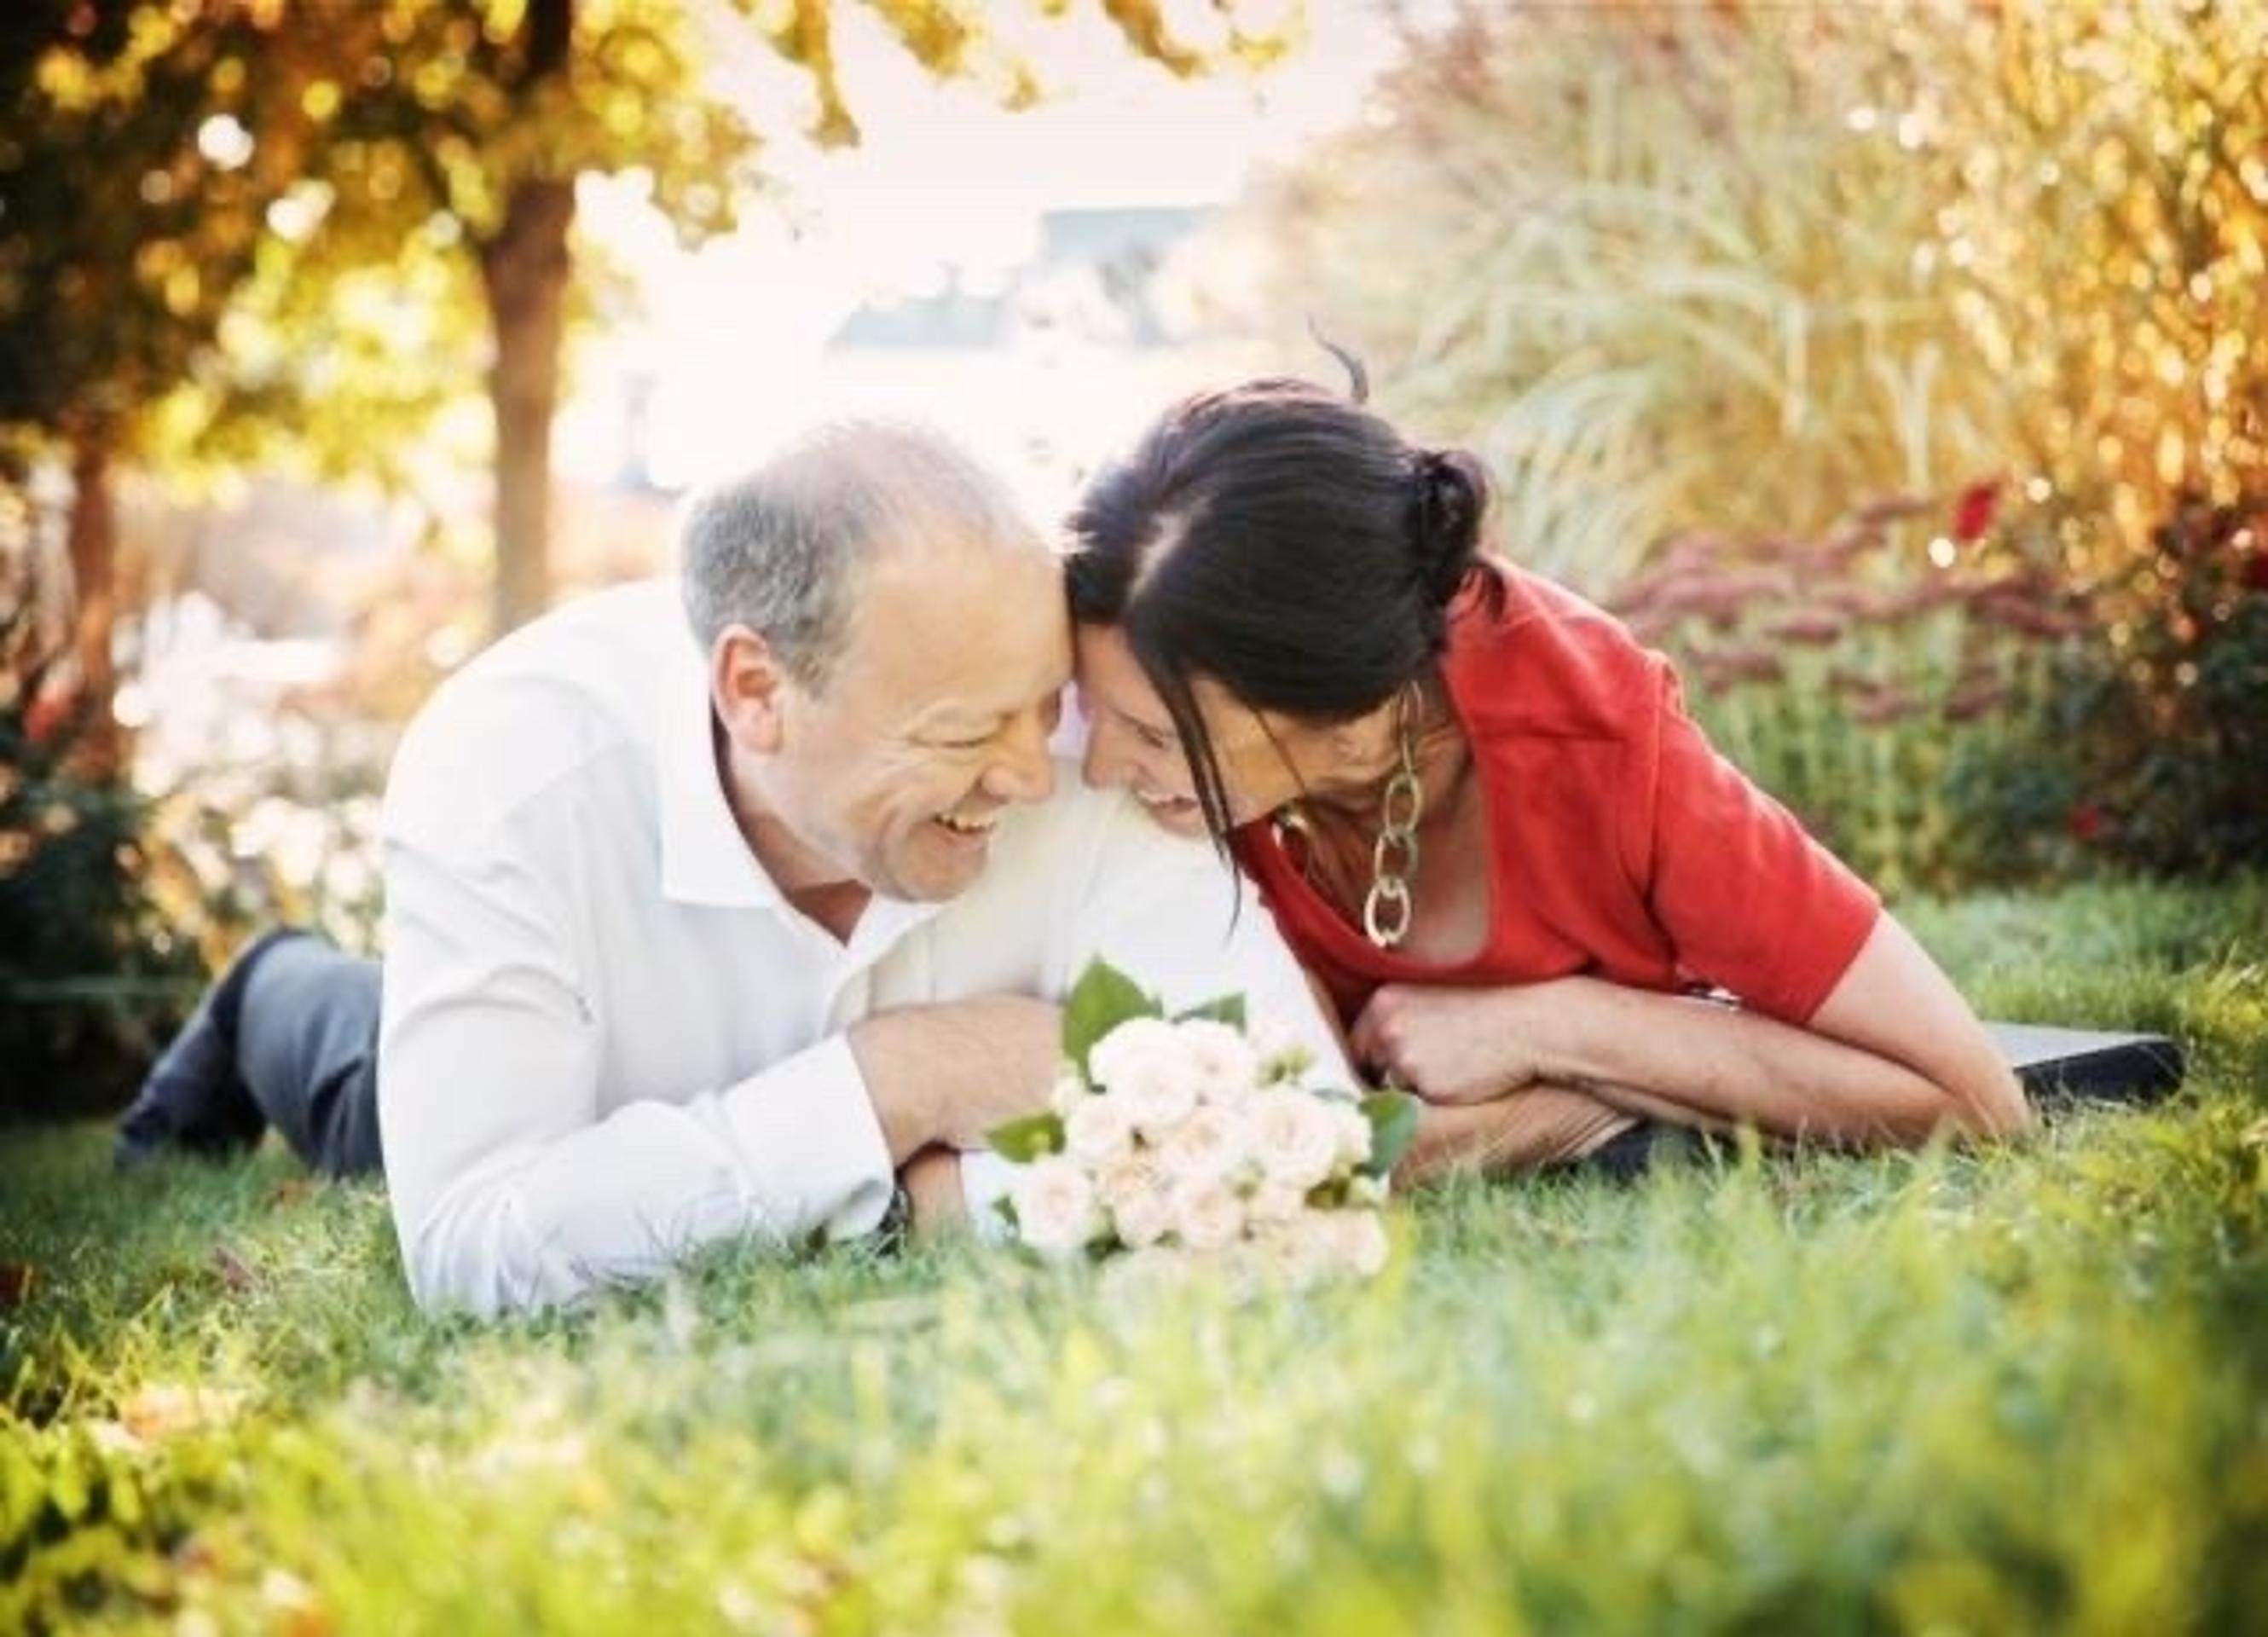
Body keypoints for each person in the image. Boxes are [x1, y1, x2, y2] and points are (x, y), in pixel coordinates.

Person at [116, 420, 1344, 1316]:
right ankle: (263, 990)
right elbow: (476, 1246)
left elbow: (1309, 1142)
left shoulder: (1086, 754)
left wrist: (943, 1209)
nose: (1034, 772)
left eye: (1042, 706)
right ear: (758, 693)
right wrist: (900, 1082)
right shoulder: (514, 771)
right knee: (353, 1077)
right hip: (567, 1077)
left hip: (650, 1140)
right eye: (967, 734)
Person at [1062, 372, 2030, 1178]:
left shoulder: (1590, 734)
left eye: (1152, 735)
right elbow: (1341, 1146)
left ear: (1332, 695)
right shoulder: (1174, 769)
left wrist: (1555, 1029)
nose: (1101, 765)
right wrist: (1562, 1118)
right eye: (1096, 714)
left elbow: (1975, 1102)